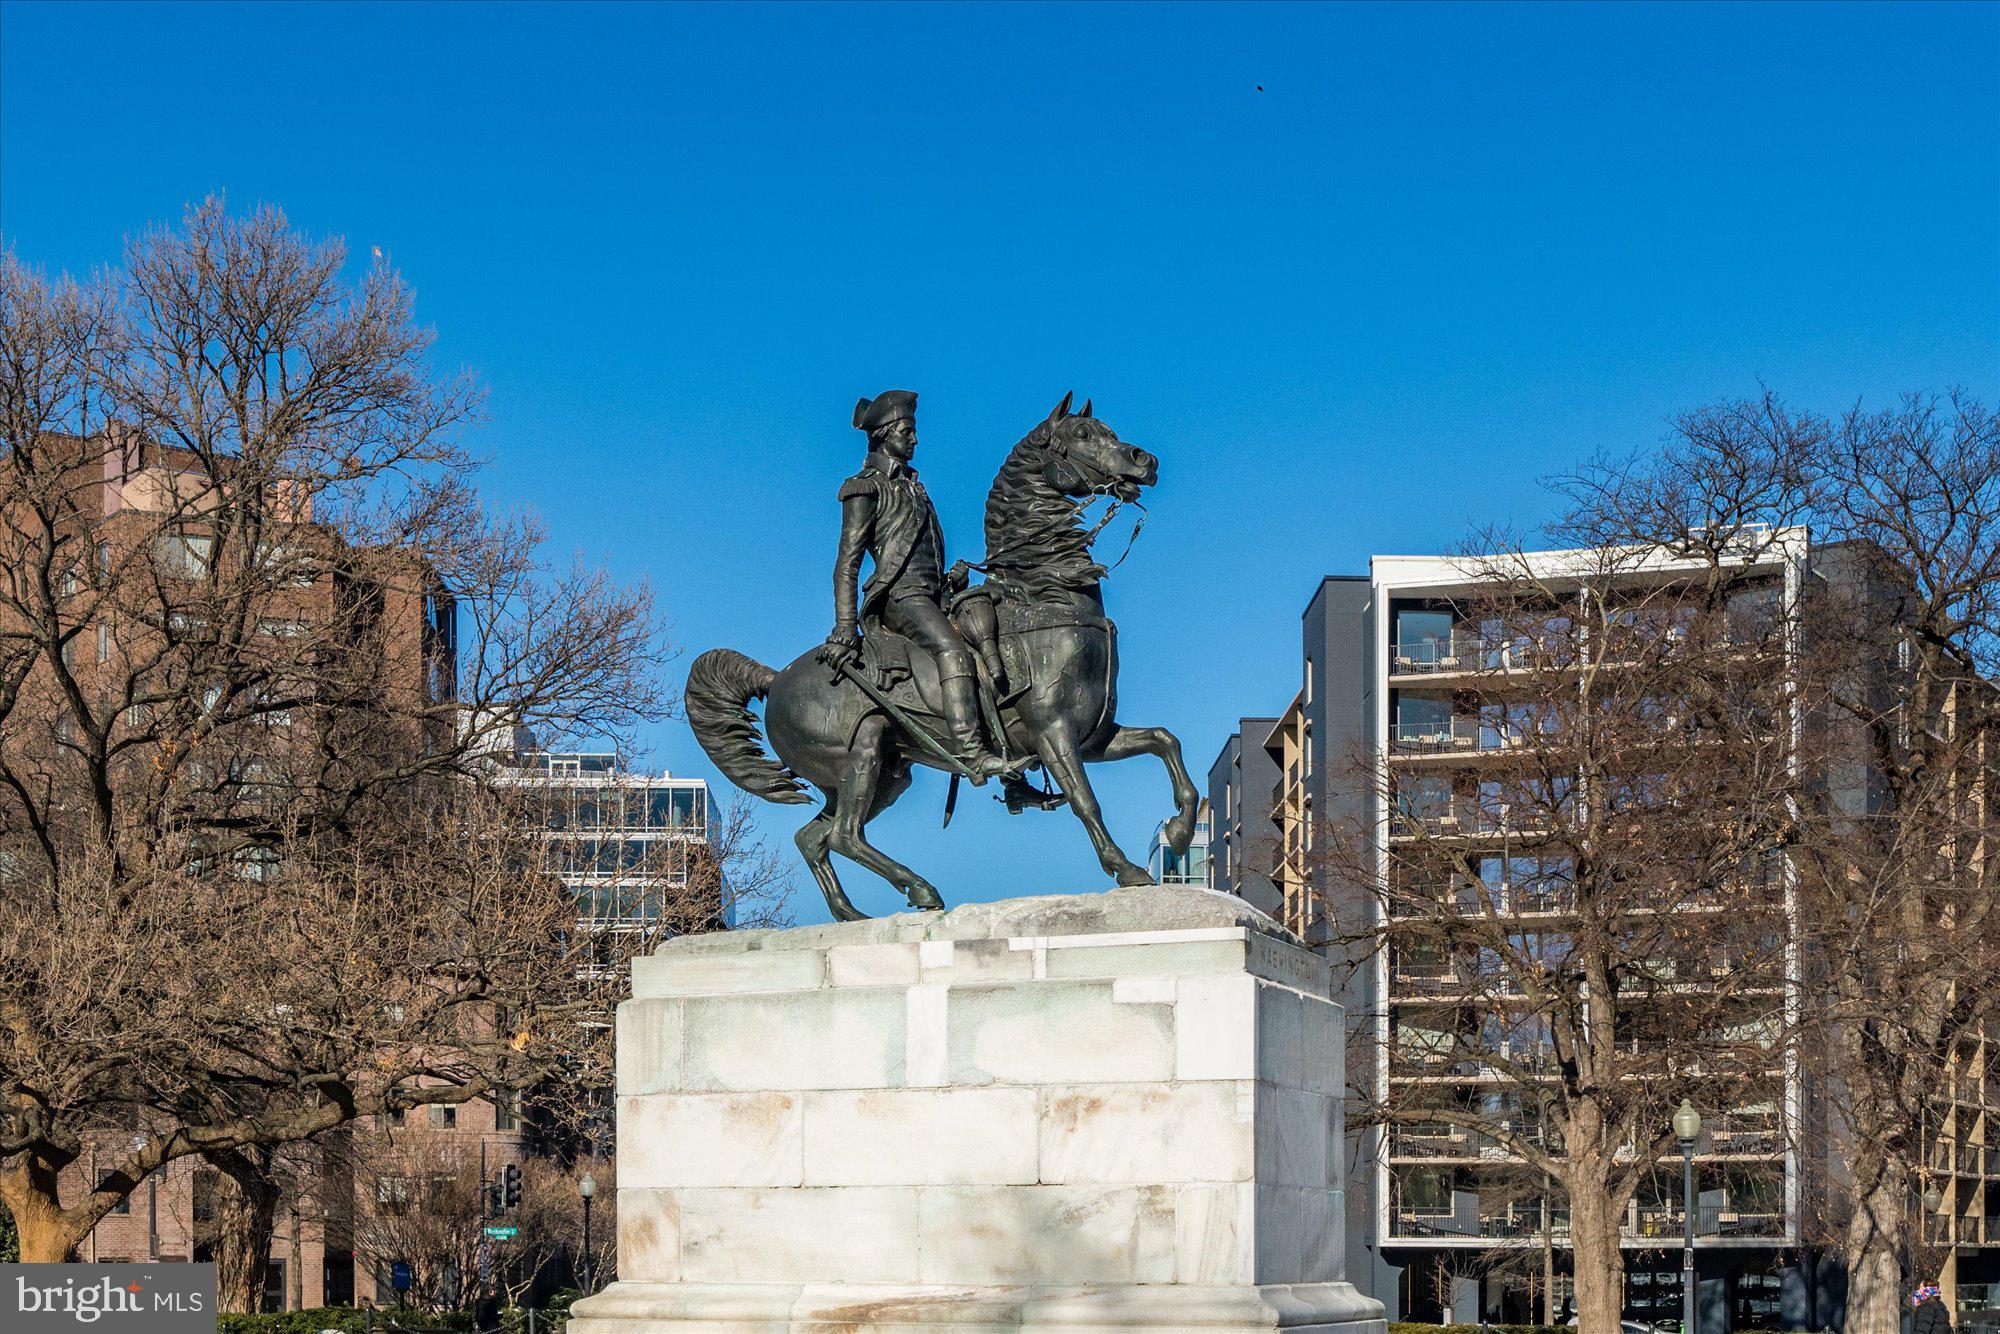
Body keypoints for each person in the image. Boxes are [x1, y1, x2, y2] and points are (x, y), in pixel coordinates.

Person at [824, 390, 1025, 783]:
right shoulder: (864, 488)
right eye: (907, 431)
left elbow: (917, 553)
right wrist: (845, 627)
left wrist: (949, 578)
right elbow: (847, 564)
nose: (915, 439)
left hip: (933, 596)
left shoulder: (915, 487)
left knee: (996, 645)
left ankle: (1015, 770)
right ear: (884, 434)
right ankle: (971, 752)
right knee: (952, 651)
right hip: (900, 598)